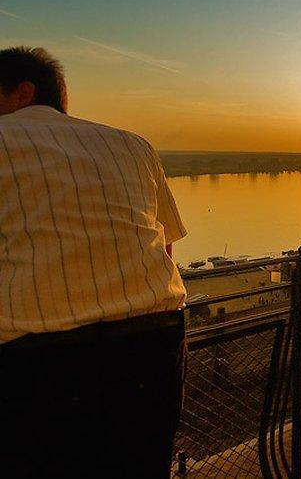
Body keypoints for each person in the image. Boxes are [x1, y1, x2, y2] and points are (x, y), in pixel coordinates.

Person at [0, 47, 188, 477]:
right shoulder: (132, 144)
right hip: (153, 343)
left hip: (35, 359)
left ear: (23, 92)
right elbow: (164, 249)